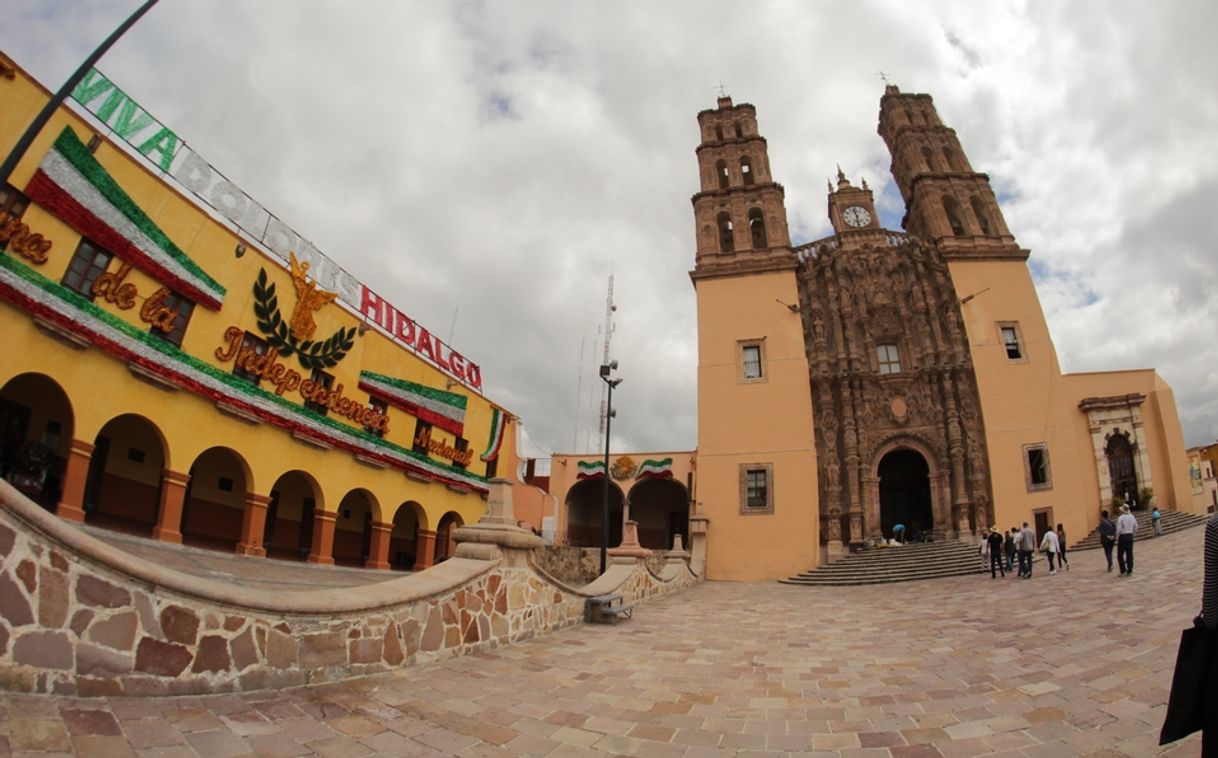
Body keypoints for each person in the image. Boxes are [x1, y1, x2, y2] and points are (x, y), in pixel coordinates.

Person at [1116, 504, 1138, 576]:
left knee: (1120, 554)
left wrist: (1117, 537)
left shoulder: (1121, 518)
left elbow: (1119, 529)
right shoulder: (1132, 516)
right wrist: (1133, 534)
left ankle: (1123, 570)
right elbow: (1136, 526)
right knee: (1129, 554)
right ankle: (1130, 570)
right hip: (1130, 536)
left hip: (1123, 536)